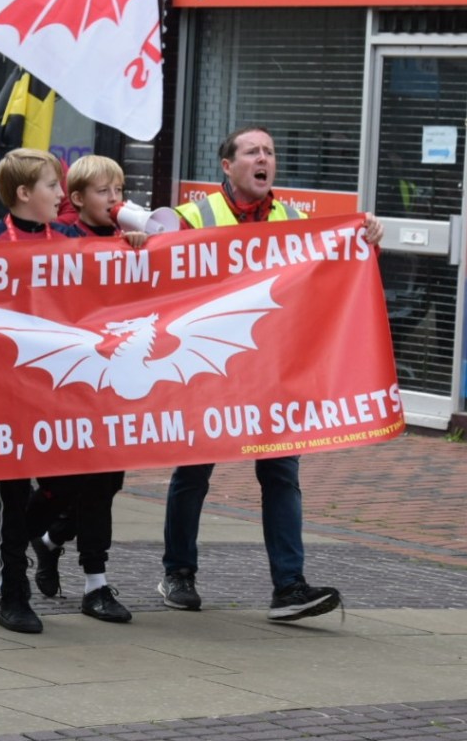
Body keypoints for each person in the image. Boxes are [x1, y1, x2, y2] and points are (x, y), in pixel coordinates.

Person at [159, 125, 383, 621]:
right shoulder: (192, 217)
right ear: (227, 166)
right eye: (253, 152)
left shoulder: (294, 219)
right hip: (210, 367)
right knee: (194, 470)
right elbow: (152, 274)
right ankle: (178, 573)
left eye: (270, 152)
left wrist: (365, 241)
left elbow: (331, 275)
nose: (265, 159)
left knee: (281, 472)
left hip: (270, 371)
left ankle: (289, 586)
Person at [19, 154, 148, 623]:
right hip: (69, 384)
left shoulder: (128, 241)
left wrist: (137, 250)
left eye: (118, 191)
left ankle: (73, 563)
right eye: (103, 192)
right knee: (67, 484)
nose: (114, 200)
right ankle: (25, 538)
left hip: (110, 385)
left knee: (106, 482)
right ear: (76, 199)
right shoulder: (65, 240)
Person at [0, 149, 83, 633]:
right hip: (2, 391)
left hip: (58, 392)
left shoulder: (73, 240)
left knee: (72, 482)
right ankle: (12, 593)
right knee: (10, 496)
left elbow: (114, 277)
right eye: (53, 186)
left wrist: (134, 243)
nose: (61, 195)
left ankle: (11, 542)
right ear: (23, 194)